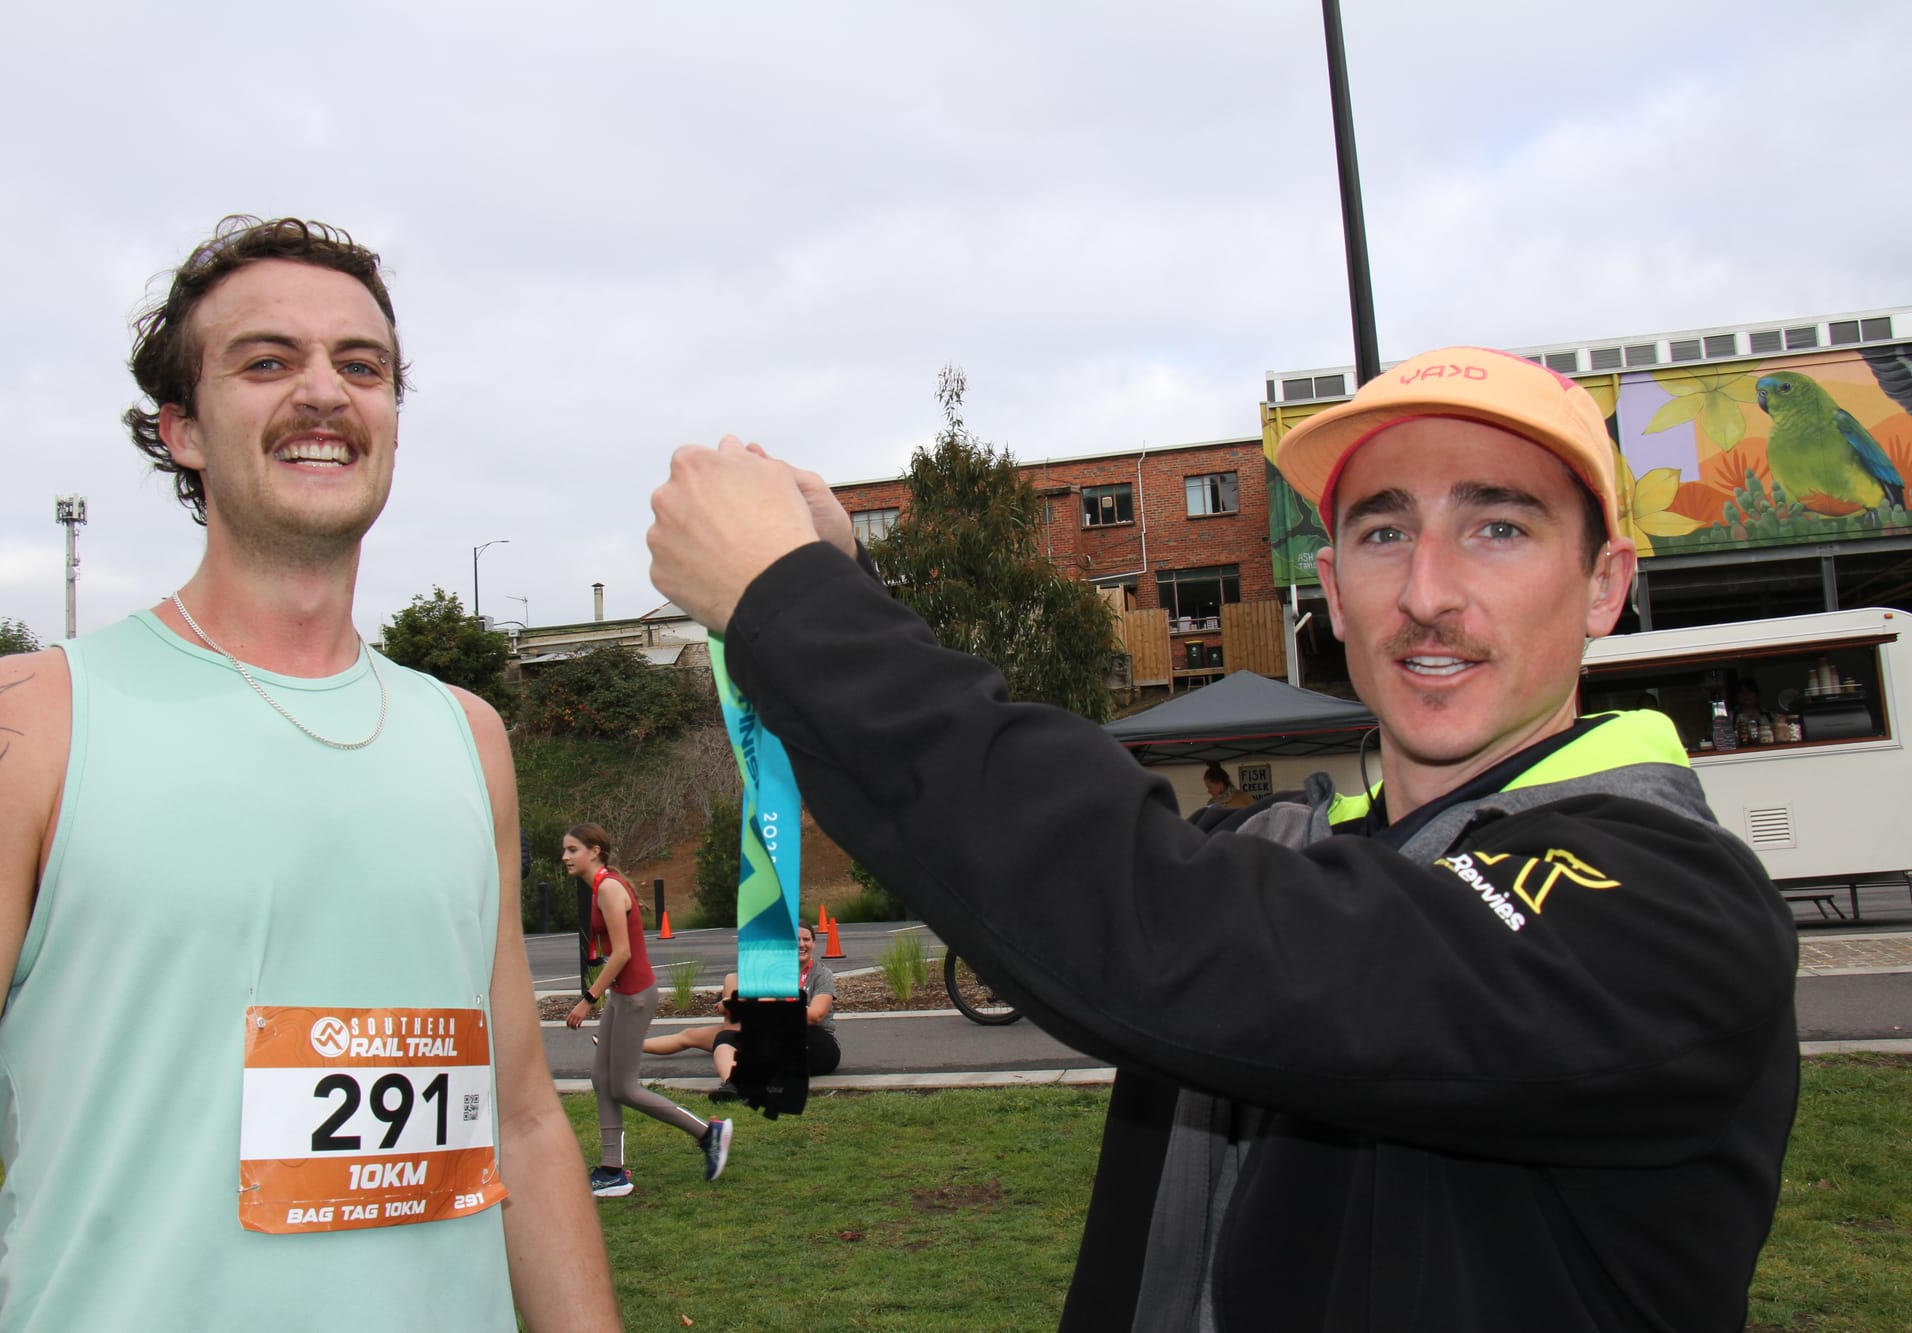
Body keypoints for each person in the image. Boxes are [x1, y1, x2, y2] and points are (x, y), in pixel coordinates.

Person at [644, 347, 1799, 1332]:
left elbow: (1170, 925)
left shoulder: (1667, 901)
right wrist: (843, 591)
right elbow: (1035, 857)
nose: (1428, 591)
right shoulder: (1290, 846)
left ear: (1603, 585)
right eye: (1382, 532)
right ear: (1331, 590)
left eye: (1498, 526)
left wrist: (794, 603)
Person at [0, 217, 617, 1332]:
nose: (325, 393)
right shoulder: (27, 721)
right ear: (182, 428)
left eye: (362, 365)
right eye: (267, 361)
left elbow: (521, 1122)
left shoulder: (467, 737)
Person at [561, 824, 731, 1195]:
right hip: (623, 996)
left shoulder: (606, 888)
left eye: (572, 850)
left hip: (635, 997)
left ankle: (708, 1134)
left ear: (594, 851)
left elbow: (621, 953)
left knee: (623, 1086)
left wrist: (587, 1000)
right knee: (601, 1079)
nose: (565, 857)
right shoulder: (600, 885)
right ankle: (611, 1170)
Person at [643, 923, 840, 1094]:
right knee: (699, 1034)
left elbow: (816, 1015)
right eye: (794, 940)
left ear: (813, 943)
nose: (800, 944)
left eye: (806, 939)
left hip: (812, 1037)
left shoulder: (821, 974)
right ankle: (732, 1084)